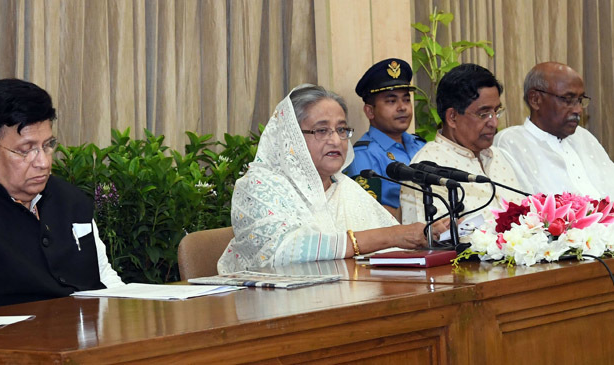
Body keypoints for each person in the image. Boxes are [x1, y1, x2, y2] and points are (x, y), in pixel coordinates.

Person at [217, 85, 448, 273]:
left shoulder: (345, 187)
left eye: (341, 130)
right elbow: (281, 253)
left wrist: (429, 235)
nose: (336, 141)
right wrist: (392, 236)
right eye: (321, 130)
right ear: (291, 137)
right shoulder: (258, 185)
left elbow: (393, 244)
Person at [0, 79, 123, 311]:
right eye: (27, 150)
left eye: (48, 145)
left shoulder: (70, 200)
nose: (44, 162)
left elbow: (105, 279)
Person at [400, 64, 526, 224]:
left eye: (496, 111)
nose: (494, 122)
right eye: (484, 114)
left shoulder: (498, 155)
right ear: (452, 117)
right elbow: (430, 241)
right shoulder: (425, 169)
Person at [494, 61, 614, 197]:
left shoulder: (584, 137)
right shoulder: (511, 143)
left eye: (580, 100)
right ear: (535, 99)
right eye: (568, 99)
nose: (578, 110)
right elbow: (521, 208)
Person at [344, 58, 426, 221]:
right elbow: (369, 213)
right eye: (391, 101)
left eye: (406, 99)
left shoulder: (420, 145)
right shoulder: (362, 156)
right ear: (370, 111)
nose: (402, 107)